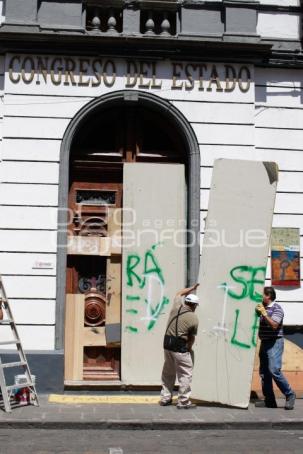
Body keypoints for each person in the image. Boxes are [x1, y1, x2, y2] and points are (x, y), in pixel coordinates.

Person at [159, 283, 199, 409]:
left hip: (167, 343)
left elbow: (178, 293)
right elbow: (191, 338)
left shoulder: (176, 307)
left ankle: (165, 398)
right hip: (179, 345)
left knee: (168, 372)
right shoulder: (193, 318)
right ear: (194, 305)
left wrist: (191, 288)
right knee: (185, 374)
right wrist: (188, 348)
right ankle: (183, 401)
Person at [255, 286, 296, 410]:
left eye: (262, 295)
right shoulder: (263, 308)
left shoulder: (277, 309)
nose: (260, 297)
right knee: (264, 373)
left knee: (274, 370)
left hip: (275, 343)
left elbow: (274, 325)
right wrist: (259, 313)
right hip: (264, 342)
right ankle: (269, 400)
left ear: (268, 296)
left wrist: (264, 314)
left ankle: (290, 394)